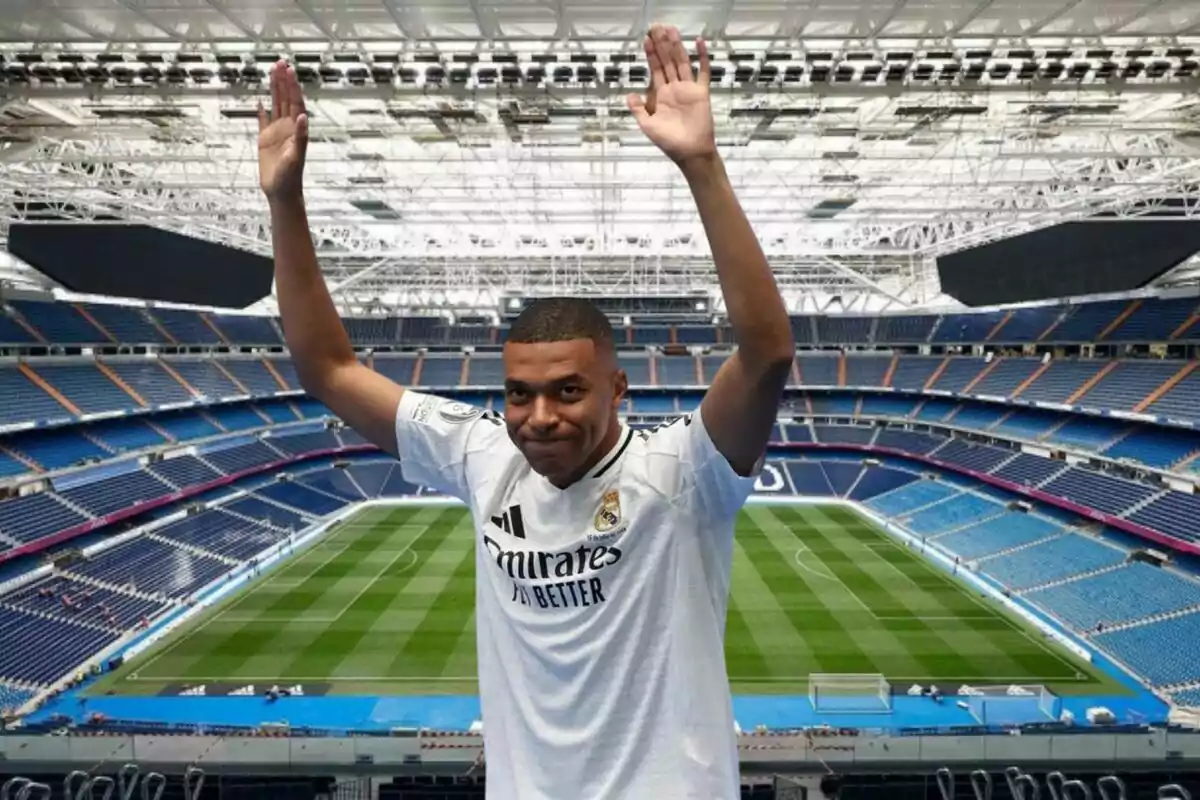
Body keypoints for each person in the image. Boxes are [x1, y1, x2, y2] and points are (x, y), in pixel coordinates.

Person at [257, 23, 794, 800]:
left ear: (617, 391)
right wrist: (285, 199)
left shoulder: (683, 472)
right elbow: (328, 369)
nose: (539, 416)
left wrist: (702, 165)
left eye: (568, 391)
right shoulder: (484, 459)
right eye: (518, 393)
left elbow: (768, 353)